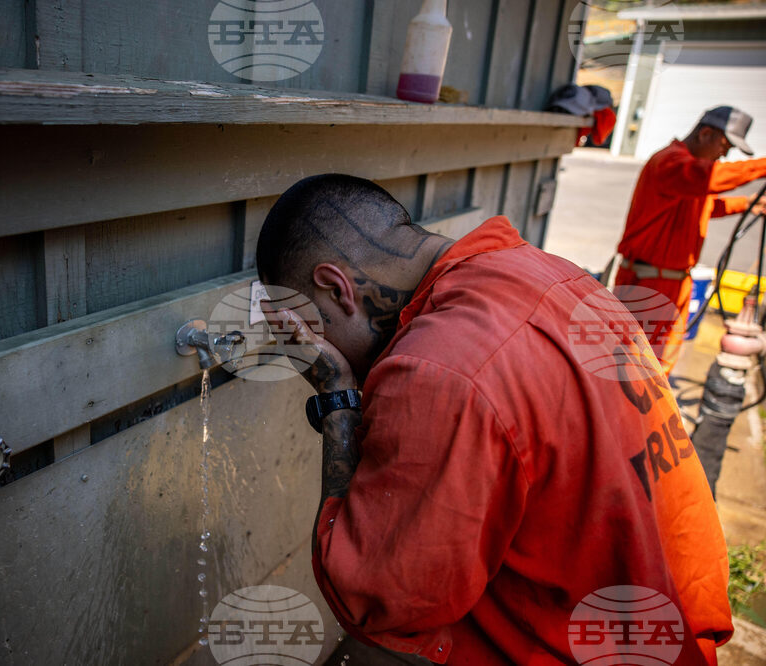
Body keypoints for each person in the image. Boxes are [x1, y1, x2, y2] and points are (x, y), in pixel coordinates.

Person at [256, 174, 732, 664]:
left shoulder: (439, 371)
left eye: (313, 333)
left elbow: (379, 598)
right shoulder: (548, 272)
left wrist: (336, 394)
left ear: (337, 289)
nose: (323, 350)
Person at [615, 106, 766, 375]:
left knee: (657, 369)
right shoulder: (670, 163)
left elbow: (705, 205)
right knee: (633, 368)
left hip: (673, 282)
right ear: (706, 133)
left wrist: (748, 205)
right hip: (649, 284)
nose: (724, 155)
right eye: (724, 146)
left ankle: (650, 415)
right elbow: (706, 179)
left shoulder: (687, 177)